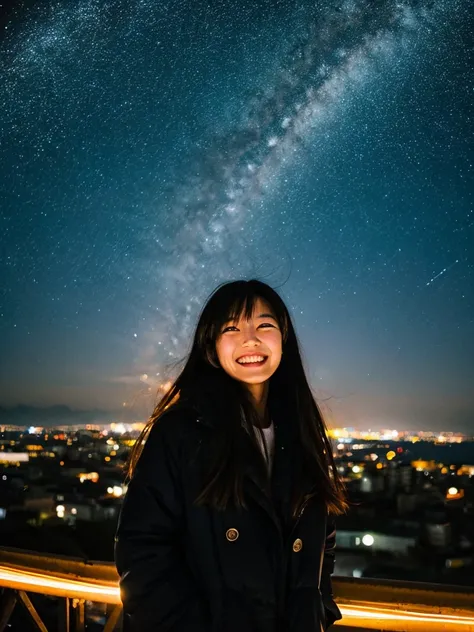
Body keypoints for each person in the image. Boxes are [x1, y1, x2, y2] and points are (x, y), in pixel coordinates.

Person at [114, 279, 349, 631]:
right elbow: (142, 552)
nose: (250, 339)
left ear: (284, 339)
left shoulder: (301, 432)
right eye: (231, 328)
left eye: (265, 325)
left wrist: (317, 608)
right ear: (211, 349)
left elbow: (322, 536)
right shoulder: (181, 432)